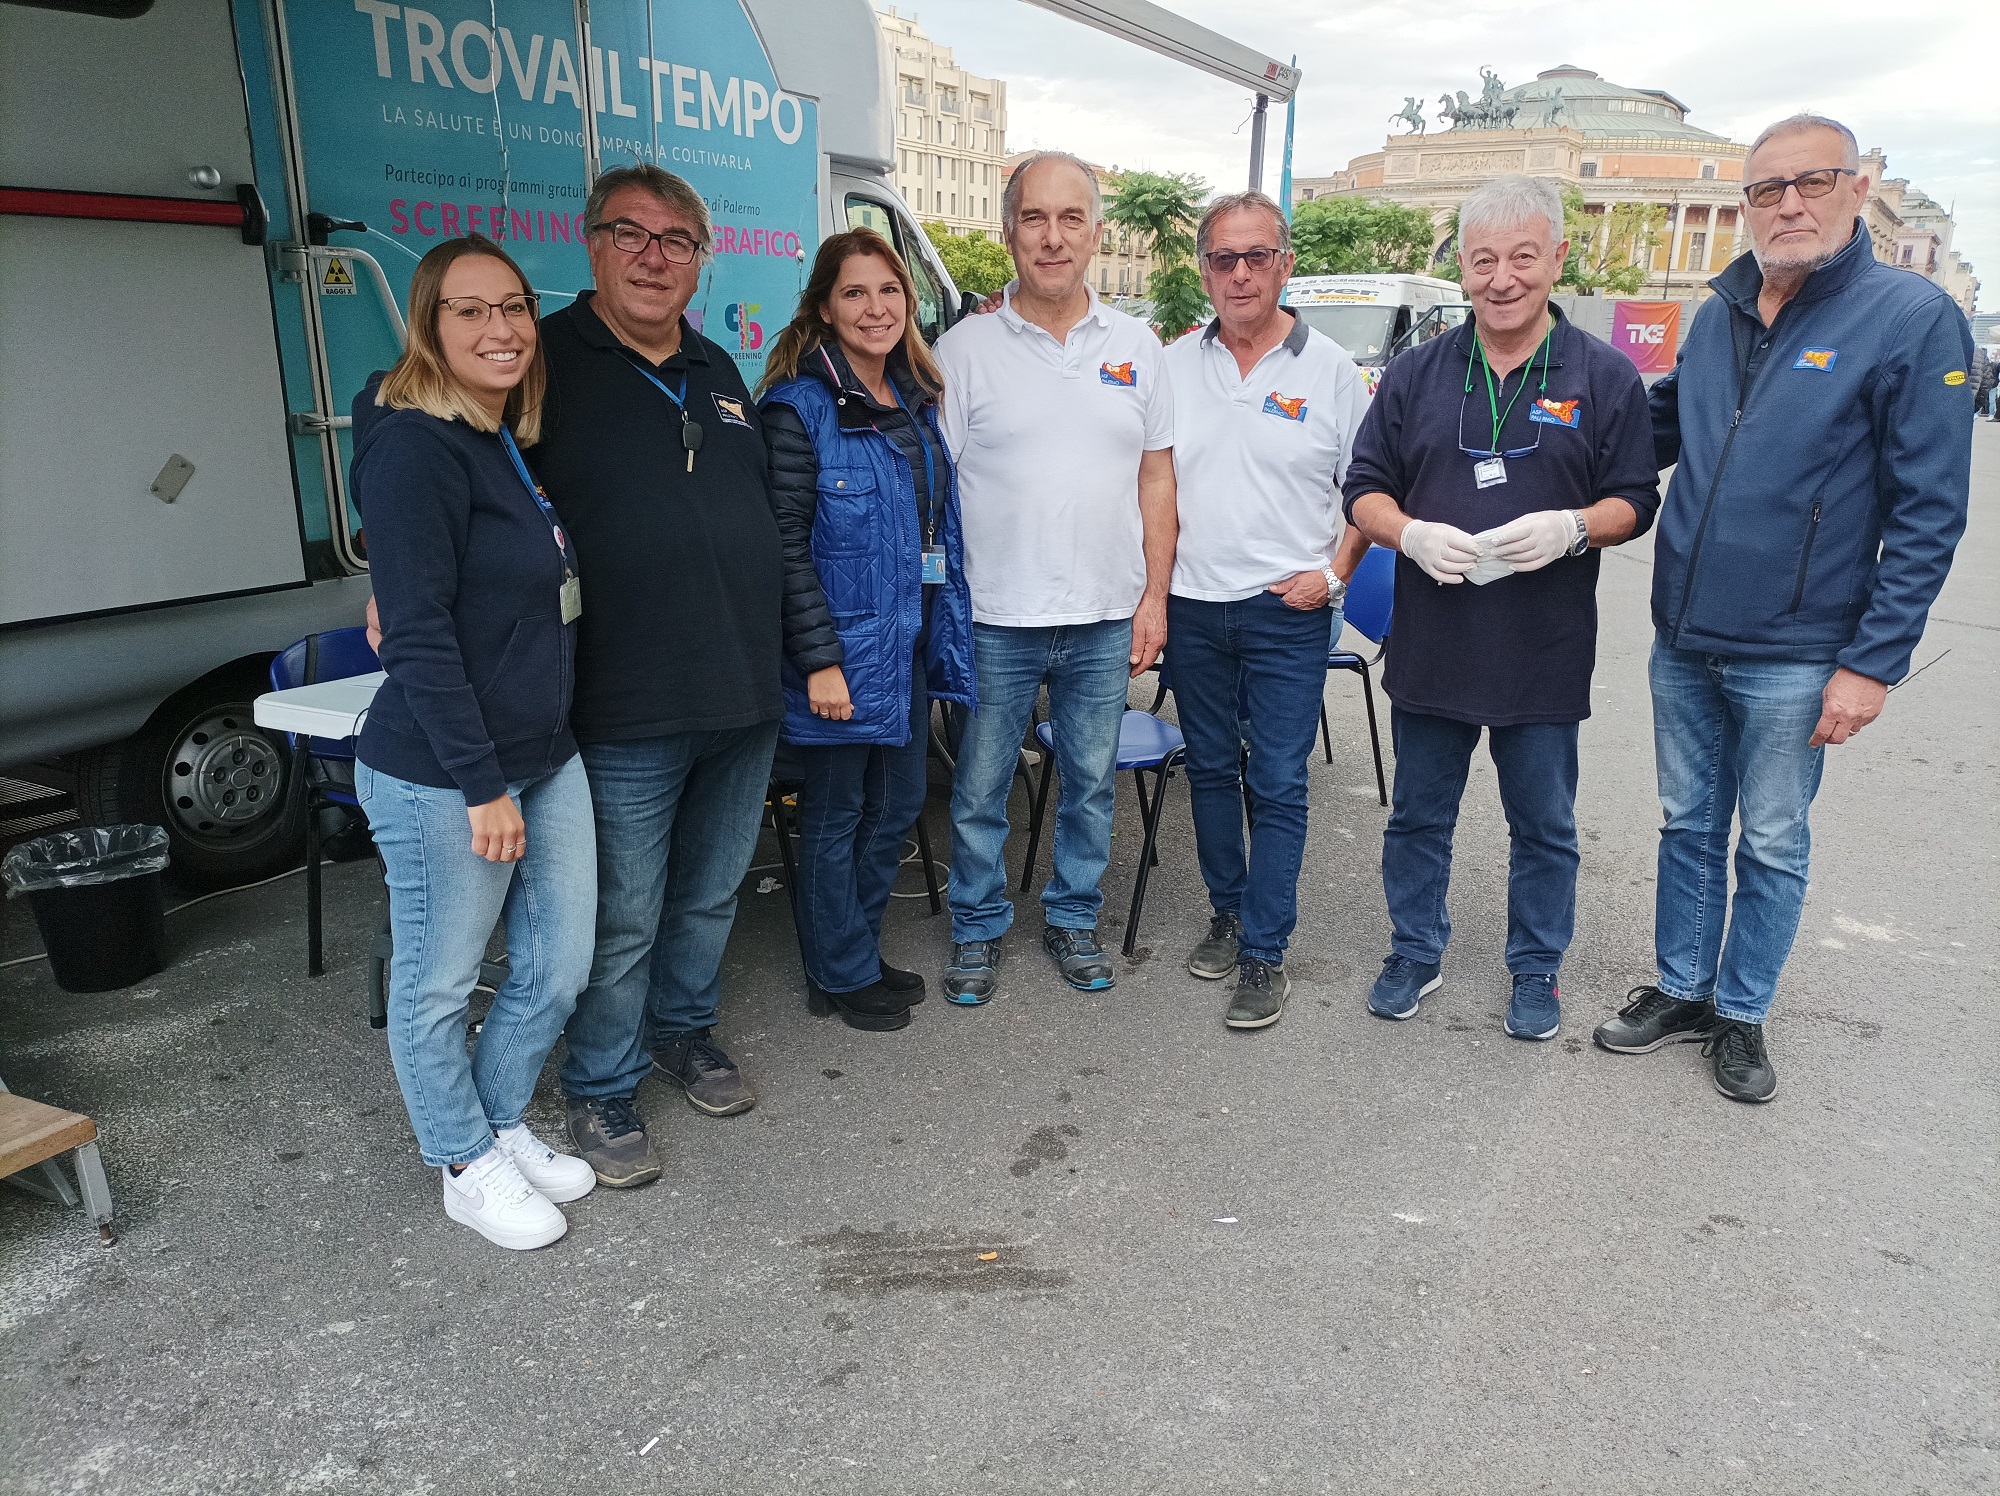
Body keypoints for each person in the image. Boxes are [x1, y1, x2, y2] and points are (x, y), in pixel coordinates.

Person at [1594, 115, 1973, 1102]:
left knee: (1767, 837)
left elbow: (1926, 509)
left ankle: (1740, 1008)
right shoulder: (1720, 307)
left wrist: (1871, 661)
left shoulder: (1904, 317)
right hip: (1682, 633)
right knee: (1685, 821)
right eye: (1766, 189)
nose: (1787, 203)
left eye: (1810, 182)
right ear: (1745, 204)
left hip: (1798, 649)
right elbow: (1660, 420)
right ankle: (1680, 984)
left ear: (1854, 191)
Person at [1343, 175, 1660, 1041]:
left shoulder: (1604, 376)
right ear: (1463, 269)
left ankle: (1536, 970)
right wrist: (1406, 535)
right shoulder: (1418, 372)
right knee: (1418, 815)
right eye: (1483, 260)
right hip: (1433, 645)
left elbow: (1637, 498)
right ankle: (1415, 948)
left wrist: (1573, 527)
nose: (1503, 278)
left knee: (1545, 827)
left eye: (1523, 256)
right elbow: (1363, 487)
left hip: (1543, 651)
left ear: (1558, 258)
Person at [351, 234, 597, 1250]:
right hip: (445, 773)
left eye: (512, 307)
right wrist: (479, 783)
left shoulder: (495, 432)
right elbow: (414, 633)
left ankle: (497, 1119)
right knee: (439, 977)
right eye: (469, 310)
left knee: (559, 963)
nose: (499, 329)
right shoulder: (414, 443)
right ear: (429, 326)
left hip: (543, 751)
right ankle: (460, 1158)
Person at [930, 150, 1177, 1003]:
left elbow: (1156, 478)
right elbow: (939, 491)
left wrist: (1154, 597)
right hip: (995, 616)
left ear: (1095, 233)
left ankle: (1074, 919)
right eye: (1034, 218)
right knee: (978, 789)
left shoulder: (1140, 347)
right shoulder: (961, 353)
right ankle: (977, 925)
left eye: (1071, 218)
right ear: (1008, 234)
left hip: (1106, 615)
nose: (1052, 236)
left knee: (1089, 787)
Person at [1161, 190, 1370, 1031]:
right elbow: (1151, 483)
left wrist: (1335, 573)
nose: (1240, 274)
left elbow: (1370, 490)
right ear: (1205, 271)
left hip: (1289, 610)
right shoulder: (1172, 365)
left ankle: (1265, 952)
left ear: (1286, 266)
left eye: (1257, 257)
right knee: (1209, 769)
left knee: (1278, 780)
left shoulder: (1334, 375)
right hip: (1193, 608)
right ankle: (1226, 910)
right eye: (1223, 259)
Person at [757, 230, 976, 1031]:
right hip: (841, 654)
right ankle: (839, 973)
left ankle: (851, 951)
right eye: (854, 293)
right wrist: (818, 660)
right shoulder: (799, 409)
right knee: (839, 809)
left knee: (900, 801)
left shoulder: (913, 398)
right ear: (824, 307)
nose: (875, 308)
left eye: (888, 291)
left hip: (906, 641)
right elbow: (782, 545)